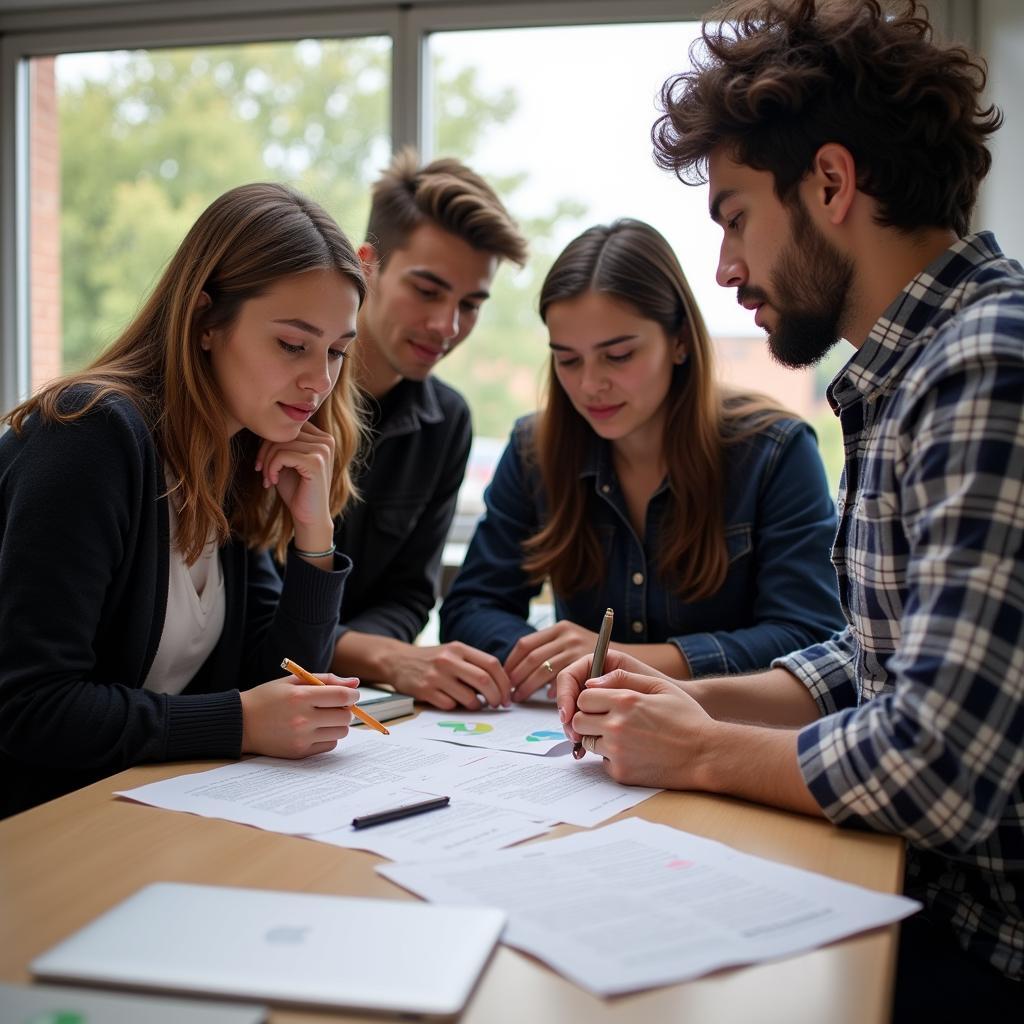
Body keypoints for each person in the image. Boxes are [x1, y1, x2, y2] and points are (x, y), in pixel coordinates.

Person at [556, 1, 1022, 1015]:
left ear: (830, 182)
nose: (724, 269)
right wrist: (681, 696)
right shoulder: (911, 373)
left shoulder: (983, 364)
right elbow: (874, 663)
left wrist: (701, 749)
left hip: (990, 945)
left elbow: (935, 766)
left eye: (731, 216)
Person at [0, 182, 365, 818]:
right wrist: (240, 724)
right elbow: (30, 707)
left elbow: (274, 685)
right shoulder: (89, 435)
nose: (320, 380)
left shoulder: (233, 454)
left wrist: (314, 536)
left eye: (337, 350)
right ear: (204, 320)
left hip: (128, 814)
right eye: (292, 343)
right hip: (37, 830)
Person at [442, 218, 843, 700]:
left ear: (678, 341)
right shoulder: (535, 448)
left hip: (721, 744)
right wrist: (554, 661)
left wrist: (619, 659)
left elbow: (811, 637)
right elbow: (470, 610)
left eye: (618, 355)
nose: (590, 385)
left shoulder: (775, 451)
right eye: (568, 360)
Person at [330, 149, 529, 711]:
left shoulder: (449, 422)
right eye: (427, 290)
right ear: (367, 264)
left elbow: (410, 593)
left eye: (470, 304)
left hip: (354, 710)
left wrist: (375, 658)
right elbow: (250, 610)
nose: (447, 326)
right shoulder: (282, 399)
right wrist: (387, 659)